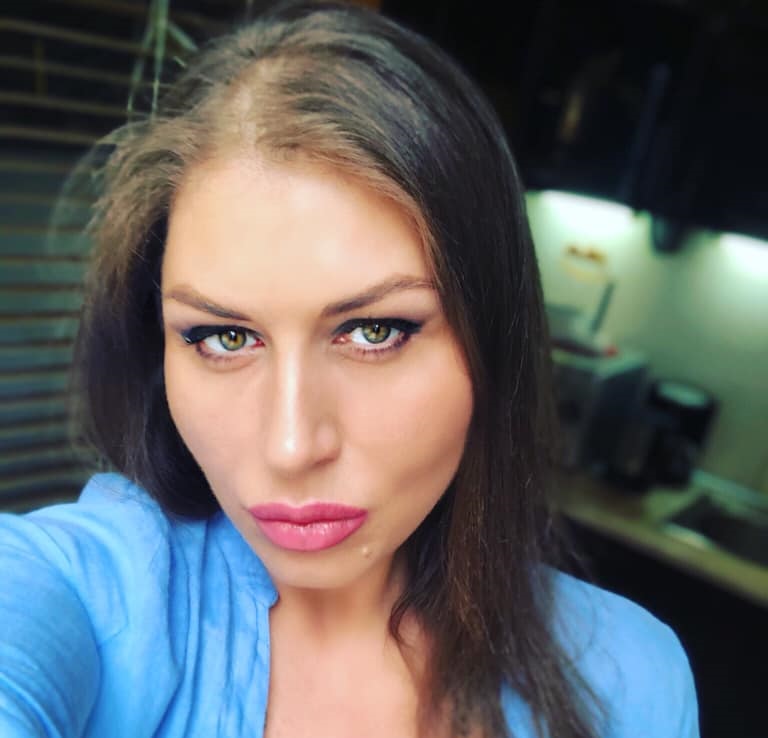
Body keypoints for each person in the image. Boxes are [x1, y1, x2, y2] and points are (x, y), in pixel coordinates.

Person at [0, 2, 698, 737]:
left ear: (493, 338)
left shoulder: (628, 681)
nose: (291, 446)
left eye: (375, 331)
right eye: (224, 338)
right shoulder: (91, 591)